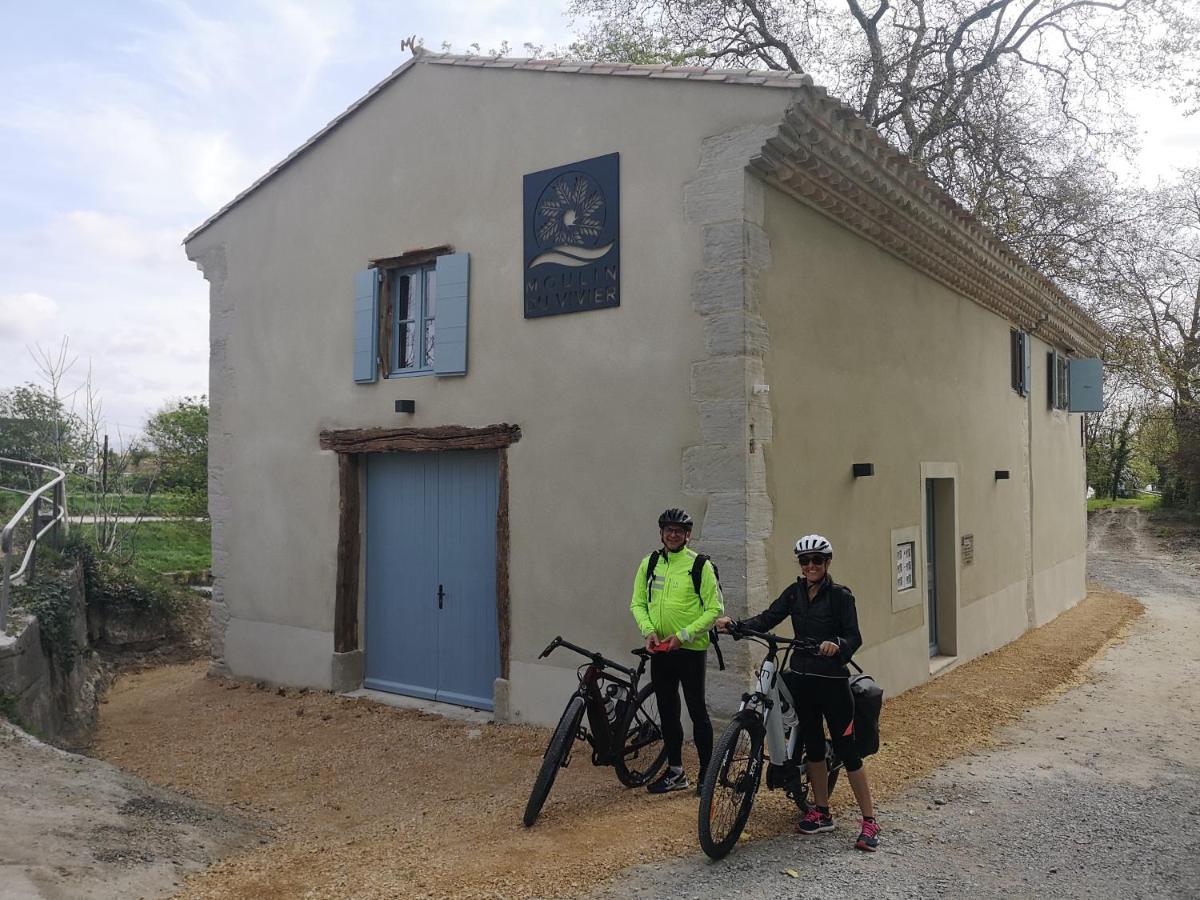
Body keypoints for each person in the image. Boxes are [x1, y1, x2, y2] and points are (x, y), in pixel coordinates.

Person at [715, 534, 880, 851]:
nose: (810, 566)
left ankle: (870, 821)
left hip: (832, 681)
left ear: (827, 563)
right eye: (805, 561)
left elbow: (854, 636)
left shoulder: (841, 597)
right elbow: (768, 618)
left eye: (817, 560)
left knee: (847, 750)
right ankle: (821, 812)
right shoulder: (794, 594)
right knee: (814, 746)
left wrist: (838, 646)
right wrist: (736, 625)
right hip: (803, 678)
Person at [630, 507, 724, 794]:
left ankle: (707, 775)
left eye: (679, 531)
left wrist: (683, 636)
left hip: (690, 650)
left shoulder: (700, 566)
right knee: (667, 712)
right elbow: (637, 603)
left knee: (697, 713)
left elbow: (715, 610)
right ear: (661, 533)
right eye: (669, 530)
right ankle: (676, 772)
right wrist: (648, 631)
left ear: (688, 536)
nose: (673, 535)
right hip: (660, 651)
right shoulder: (650, 563)